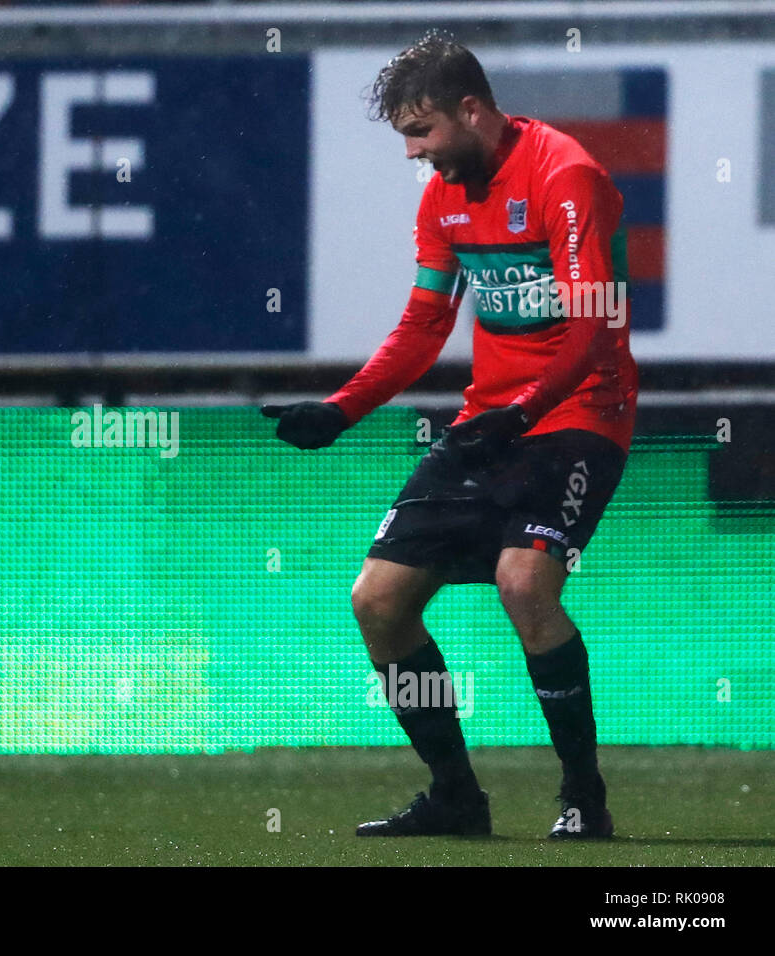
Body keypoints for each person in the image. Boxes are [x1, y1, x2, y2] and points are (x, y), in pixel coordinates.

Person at [262, 31, 638, 839]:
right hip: (491, 422)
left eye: (421, 132)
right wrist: (342, 409)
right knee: (377, 602)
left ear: (472, 111)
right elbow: (424, 325)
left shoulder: (565, 176)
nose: (413, 153)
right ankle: (457, 800)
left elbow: (592, 329)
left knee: (524, 585)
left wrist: (525, 412)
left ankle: (583, 799)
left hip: (578, 415)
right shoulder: (444, 197)